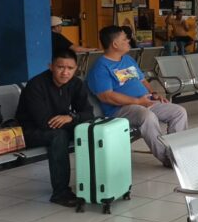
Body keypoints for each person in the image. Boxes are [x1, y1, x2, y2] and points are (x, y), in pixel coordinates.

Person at [88, 25, 188, 166]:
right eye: (124, 39)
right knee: (147, 117)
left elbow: (142, 80)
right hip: (121, 109)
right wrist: (137, 101)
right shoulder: (100, 68)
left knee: (179, 112)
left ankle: (178, 152)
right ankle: (169, 159)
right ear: (115, 44)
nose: (129, 40)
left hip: (144, 102)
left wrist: (153, 94)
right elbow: (107, 96)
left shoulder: (127, 60)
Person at [16, 48, 95, 207]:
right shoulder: (36, 85)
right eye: (60, 67)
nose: (65, 72)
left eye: (70, 68)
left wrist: (71, 117)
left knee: (92, 131)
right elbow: (44, 122)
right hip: (29, 132)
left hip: (60, 126)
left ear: (76, 69)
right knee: (59, 136)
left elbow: (88, 113)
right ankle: (60, 193)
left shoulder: (75, 83)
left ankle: (93, 185)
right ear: (51, 66)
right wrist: (73, 120)